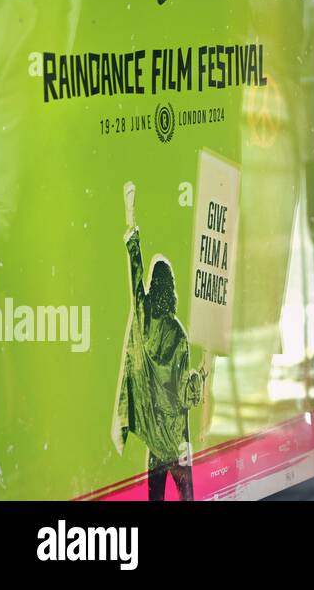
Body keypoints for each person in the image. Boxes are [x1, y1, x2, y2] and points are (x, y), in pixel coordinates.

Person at [113, 182, 208, 501]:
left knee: (153, 499)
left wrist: (131, 218)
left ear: (156, 285)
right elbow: (185, 393)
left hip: (155, 440)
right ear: (172, 288)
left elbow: (134, 273)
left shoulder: (143, 317)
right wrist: (200, 378)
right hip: (177, 441)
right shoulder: (179, 333)